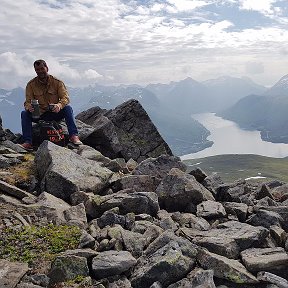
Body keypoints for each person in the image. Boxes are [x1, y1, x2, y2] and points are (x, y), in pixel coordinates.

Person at [20, 59, 82, 150]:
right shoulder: (31, 85)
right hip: (39, 115)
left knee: (68, 108)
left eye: (42, 68)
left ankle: (74, 136)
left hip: (55, 113)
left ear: (47, 68)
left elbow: (66, 98)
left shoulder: (57, 82)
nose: (40, 71)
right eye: (37, 70)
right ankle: (28, 142)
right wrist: (29, 107)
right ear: (35, 70)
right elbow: (27, 102)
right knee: (24, 113)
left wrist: (59, 106)